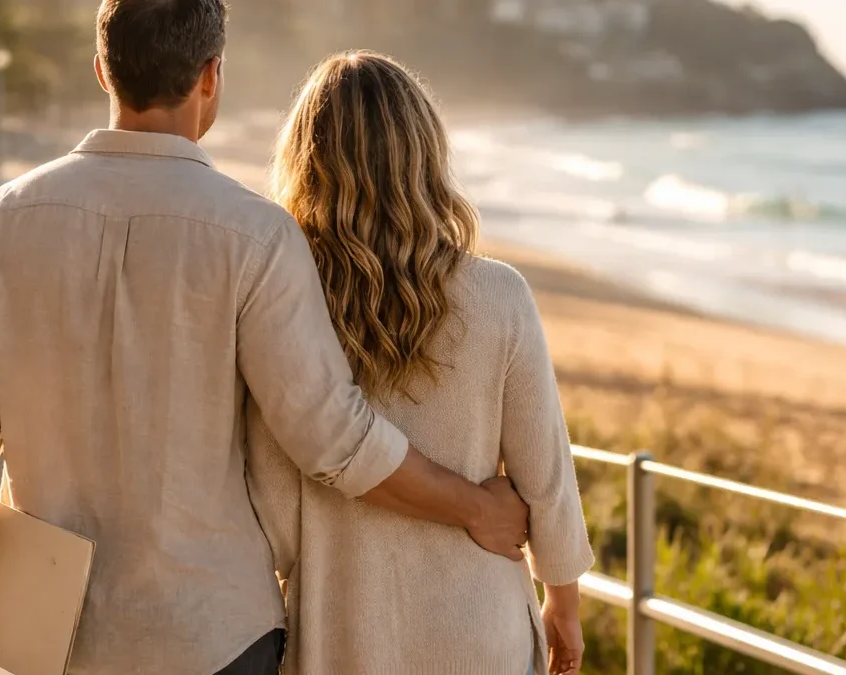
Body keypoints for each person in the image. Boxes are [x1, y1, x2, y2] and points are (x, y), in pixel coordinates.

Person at [0, 4, 529, 675]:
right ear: (211, 75)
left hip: (52, 631)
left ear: (102, 71)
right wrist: (474, 505)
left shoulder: (0, 222)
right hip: (214, 636)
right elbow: (332, 437)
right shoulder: (254, 234)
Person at [247, 52, 596, 675]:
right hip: (479, 631)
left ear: (304, 163)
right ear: (426, 153)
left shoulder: (281, 304)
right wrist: (562, 605)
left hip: (342, 633)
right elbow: (547, 478)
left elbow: (269, 502)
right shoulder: (499, 295)